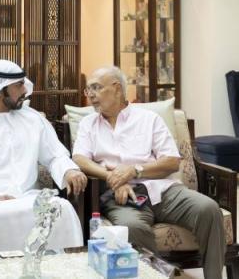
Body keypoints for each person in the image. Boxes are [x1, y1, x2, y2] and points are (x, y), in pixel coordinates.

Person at [72, 66, 226, 279]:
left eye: (96, 88)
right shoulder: (89, 123)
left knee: (209, 209)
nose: (90, 95)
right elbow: (79, 158)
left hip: (163, 190)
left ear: (117, 89)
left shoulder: (148, 119)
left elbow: (172, 161)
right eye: (88, 89)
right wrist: (113, 177)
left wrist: (134, 170)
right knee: (131, 228)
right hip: (122, 196)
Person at [0, 59, 87, 251]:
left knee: (62, 209)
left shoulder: (32, 119)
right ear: (0, 90)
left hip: (26, 197)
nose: (25, 91)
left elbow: (55, 155)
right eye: (19, 85)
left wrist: (69, 171)